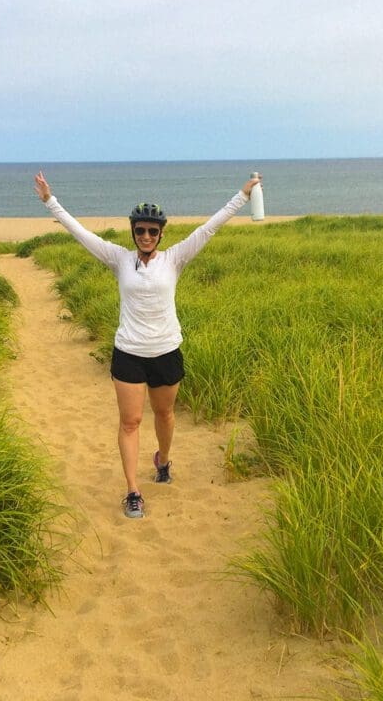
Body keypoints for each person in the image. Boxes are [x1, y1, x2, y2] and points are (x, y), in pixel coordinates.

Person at [32, 170, 262, 518]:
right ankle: (133, 491)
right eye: (140, 230)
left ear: (161, 234)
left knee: (166, 414)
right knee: (130, 422)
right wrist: (51, 201)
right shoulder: (118, 258)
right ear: (133, 232)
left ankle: (164, 461)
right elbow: (79, 232)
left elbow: (210, 227)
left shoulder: (175, 258)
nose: (146, 236)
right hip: (129, 354)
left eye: (152, 231)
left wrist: (242, 196)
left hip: (166, 351)